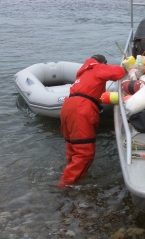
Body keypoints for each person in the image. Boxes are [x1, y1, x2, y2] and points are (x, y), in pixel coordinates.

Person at [58, 54, 126, 188]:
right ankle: (65, 185)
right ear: (103, 63)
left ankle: (68, 169)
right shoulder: (98, 68)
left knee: (72, 147)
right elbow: (120, 72)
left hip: (68, 106)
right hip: (82, 108)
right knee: (85, 152)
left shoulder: (83, 72)